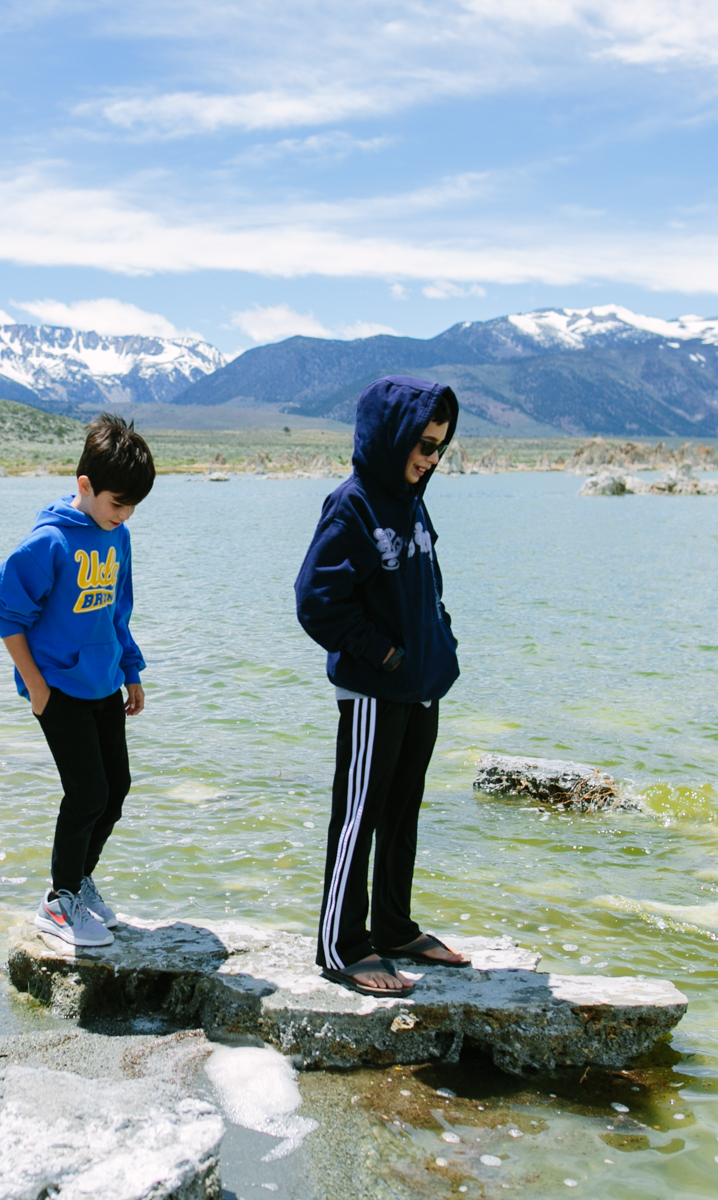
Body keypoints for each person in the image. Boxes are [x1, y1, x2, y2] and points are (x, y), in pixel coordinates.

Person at [293, 376, 467, 995]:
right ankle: (341, 944)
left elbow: (429, 582)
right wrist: (386, 655)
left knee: (401, 813)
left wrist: (436, 642)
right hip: (376, 690)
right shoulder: (354, 503)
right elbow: (316, 601)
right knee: (358, 817)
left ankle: (392, 926)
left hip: (422, 685)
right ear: (393, 435)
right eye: (423, 442)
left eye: (440, 446)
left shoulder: (412, 496)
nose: (430, 457)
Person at [0, 414, 154, 948]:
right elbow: (5, 610)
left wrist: (130, 671)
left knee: (116, 790)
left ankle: (79, 882)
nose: (124, 515)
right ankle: (58, 903)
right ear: (85, 486)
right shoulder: (50, 541)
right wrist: (35, 685)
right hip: (58, 688)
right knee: (86, 793)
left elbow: (117, 611)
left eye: (132, 507)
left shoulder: (117, 535)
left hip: (104, 683)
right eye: (116, 503)